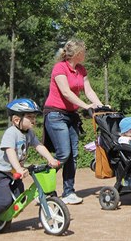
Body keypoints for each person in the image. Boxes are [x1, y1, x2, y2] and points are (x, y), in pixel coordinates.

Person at [0, 98, 59, 239]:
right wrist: (19, 168)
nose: (34, 120)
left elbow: (38, 146)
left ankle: (4, 217)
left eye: (34, 117)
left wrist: (50, 158)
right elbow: (10, 151)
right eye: (30, 117)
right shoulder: (11, 133)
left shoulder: (29, 133)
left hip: (12, 173)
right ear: (16, 120)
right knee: (4, 201)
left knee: (19, 198)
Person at [43, 39, 103, 205]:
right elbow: (66, 92)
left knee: (73, 156)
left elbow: (88, 90)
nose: (85, 54)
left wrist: (100, 105)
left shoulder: (81, 69)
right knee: (64, 154)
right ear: (77, 54)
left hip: (70, 115)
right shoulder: (59, 68)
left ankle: (68, 192)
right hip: (55, 115)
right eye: (84, 51)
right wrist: (85, 106)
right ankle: (43, 187)